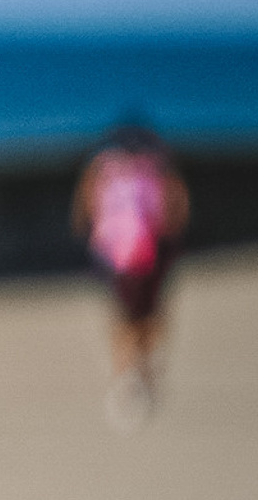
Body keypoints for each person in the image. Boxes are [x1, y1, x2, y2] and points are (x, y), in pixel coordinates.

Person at [74, 121, 190, 430]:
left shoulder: (103, 167)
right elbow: (177, 207)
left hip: (117, 252)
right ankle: (140, 373)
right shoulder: (157, 166)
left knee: (125, 318)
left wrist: (91, 236)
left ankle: (127, 376)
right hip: (148, 250)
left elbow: (85, 207)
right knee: (146, 316)